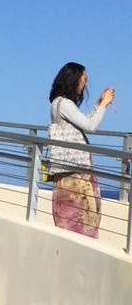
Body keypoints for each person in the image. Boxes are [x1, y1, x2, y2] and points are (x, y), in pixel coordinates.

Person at [46, 61, 114, 238]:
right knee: (81, 222)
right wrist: (103, 106)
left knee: (72, 223)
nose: (86, 83)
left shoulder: (59, 103)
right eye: (84, 79)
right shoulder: (65, 104)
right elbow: (91, 126)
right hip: (74, 174)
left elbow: (82, 123)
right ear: (74, 79)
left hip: (68, 172)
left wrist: (97, 105)